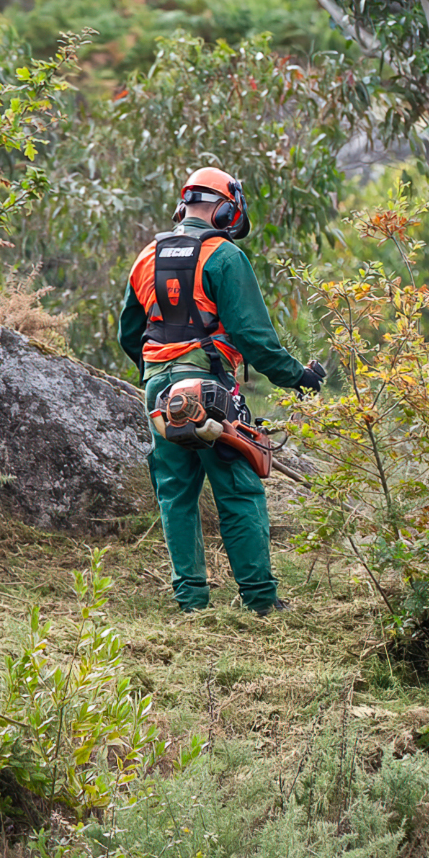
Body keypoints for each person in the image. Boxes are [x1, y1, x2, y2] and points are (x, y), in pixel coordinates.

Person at [117, 167, 325, 614]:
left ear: (184, 206)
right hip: (208, 389)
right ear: (226, 210)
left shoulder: (146, 256)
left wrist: (160, 373)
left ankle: (191, 602)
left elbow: (128, 334)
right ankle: (261, 601)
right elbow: (254, 338)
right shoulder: (225, 256)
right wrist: (299, 378)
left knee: (175, 492)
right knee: (238, 488)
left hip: (158, 391)